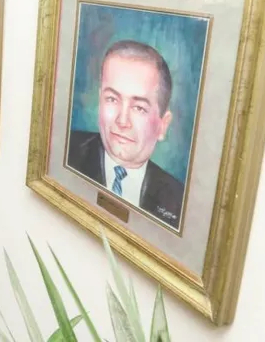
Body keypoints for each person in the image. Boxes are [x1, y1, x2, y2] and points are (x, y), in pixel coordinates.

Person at [66, 40, 185, 231]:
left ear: (163, 125)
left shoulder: (179, 202)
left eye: (139, 108)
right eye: (112, 99)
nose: (122, 120)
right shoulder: (65, 152)